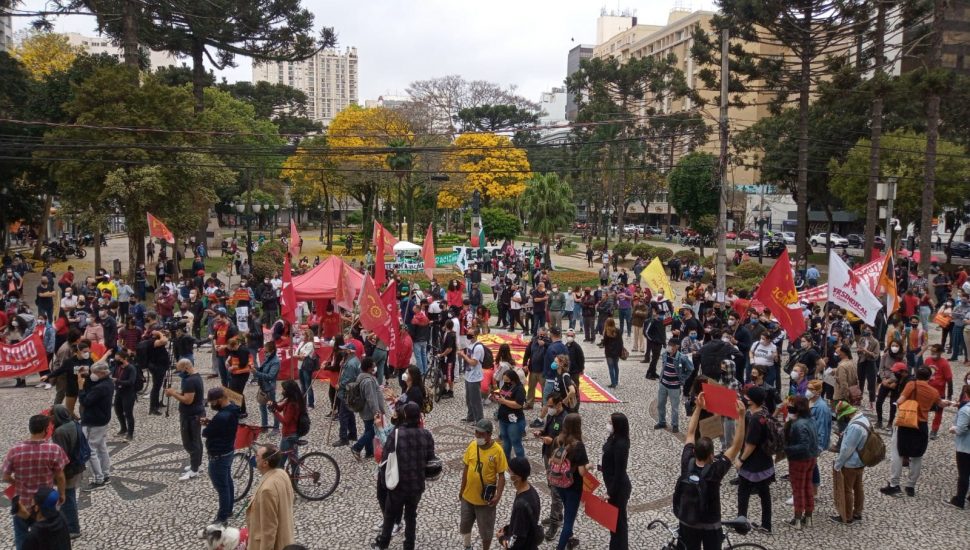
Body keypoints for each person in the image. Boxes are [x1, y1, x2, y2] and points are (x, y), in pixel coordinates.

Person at [675, 394, 745, 550]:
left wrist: (698, 407)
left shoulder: (687, 462)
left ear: (694, 451)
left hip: (688, 520)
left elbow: (691, 432)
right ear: (712, 455)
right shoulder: (715, 470)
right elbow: (737, 445)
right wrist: (741, 417)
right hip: (710, 523)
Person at [372, 402, 436, 550]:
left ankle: (383, 544)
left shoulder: (396, 434)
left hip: (398, 485)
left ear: (405, 415)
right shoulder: (426, 435)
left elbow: (385, 458)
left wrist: (383, 482)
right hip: (417, 485)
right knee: (411, 516)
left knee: (389, 515)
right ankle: (409, 545)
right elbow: (430, 459)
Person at [880, 365, 950, 498]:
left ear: (916, 375)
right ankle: (911, 486)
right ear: (929, 377)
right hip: (921, 425)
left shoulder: (911, 384)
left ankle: (894, 485)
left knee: (897, 454)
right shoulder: (933, 391)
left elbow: (900, 401)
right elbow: (940, 404)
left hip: (906, 423)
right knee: (917, 456)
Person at [2, 414, 69, 549]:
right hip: (45, 503)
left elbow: (5, 476)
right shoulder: (54, 449)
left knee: (21, 537)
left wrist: (15, 482)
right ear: (46, 429)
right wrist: (62, 494)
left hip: (23, 503)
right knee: (47, 538)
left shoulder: (15, 450)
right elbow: (60, 476)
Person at [459, 419, 508, 550]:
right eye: (476, 432)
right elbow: (466, 468)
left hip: (485, 501)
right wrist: (461, 490)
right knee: (465, 524)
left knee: (486, 531)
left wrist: (498, 496)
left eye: (481, 433)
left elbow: (501, 475)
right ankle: (467, 545)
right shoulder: (472, 445)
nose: (478, 435)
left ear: (489, 434)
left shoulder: (498, 451)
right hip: (468, 497)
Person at [549, 413, 589, 550]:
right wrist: (589, 466)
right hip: (573, 486)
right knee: (568, 522)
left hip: (559, 482)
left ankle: (570, 538)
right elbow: (582, 472)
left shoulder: (558, 440)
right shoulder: (578, 446)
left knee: (567, 508)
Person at [246, 444, 295, 550]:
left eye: (257, 456)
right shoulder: (282, 474)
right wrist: (256, 501)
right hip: (286, 536)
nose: (255, 457)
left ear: (265, 463)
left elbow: (269, 530)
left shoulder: (266, 490)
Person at [202, 387, 240, 525]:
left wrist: (208, 426)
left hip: (219, 455)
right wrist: (211, 423)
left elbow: (206, 433)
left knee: (221, 486)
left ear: (219, 400)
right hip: (228, 450)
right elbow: (219, 428)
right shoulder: (233, 409)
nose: (212, 405)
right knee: (227, 481)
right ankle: (228, 509)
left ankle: (222, 517)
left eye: (212, 402)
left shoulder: (222, 416)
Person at [164, 358, 204, 481]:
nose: (179, 373)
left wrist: (173, 393)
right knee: (196, 440)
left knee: (190, 442)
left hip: (191, 416)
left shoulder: (189, 381)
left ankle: (194, 470)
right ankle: (196, 464)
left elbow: (188, 400)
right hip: (195, 413)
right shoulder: (196, 377)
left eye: (180, 370)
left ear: (186, 368)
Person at [831, 401, 870, 524]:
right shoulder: (864, 419)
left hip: (851, 463)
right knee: (858, 487)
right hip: (861, 460)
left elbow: (847, 448)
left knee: (847, 489)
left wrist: (838, 464)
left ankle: (847, 517)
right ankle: (858, 512)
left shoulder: (854, 427)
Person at [783, 396, 819, 529]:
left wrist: (786, 450)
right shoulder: (811, 420)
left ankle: (797, 520)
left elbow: (803, 445)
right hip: (811, 458)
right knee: (807, 487)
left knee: (798, 489)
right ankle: (808, 517)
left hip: (799, 460)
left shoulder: (797, 424)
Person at [78, 360, 113, 491]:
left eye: (94, 373)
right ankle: (106, 474)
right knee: (102, 448)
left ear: (102, 373)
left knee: (90, 449)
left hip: (94, 421)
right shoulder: (107, 382)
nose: (93, 375)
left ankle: (99, 479)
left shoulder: (101, 388)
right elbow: (93, 383)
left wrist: (80, 388)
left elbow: (86, 401)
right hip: (102, 419)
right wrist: (86, 376)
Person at [535, 393, 567, 541]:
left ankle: (555, 522)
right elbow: (548, 429)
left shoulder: (565, 419)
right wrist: (541, 433)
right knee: (552, 487)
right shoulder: (551, 415)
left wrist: (552, 440)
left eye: (551, 406)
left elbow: (566, 441)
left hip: (558, 459)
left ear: (559, 404)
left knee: (556, 492)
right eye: (548, 406)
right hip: (548, 455)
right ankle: (556, 515)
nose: (549, 408)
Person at [48, 406, 81, 539]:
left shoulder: (60, 432)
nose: (49, 418)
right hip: (77, 466)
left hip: (68, 470)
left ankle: (73, 528)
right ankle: (66, 525)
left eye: (51, 415)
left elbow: (60, 456)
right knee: (69, 496)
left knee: (67, 498)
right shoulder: (73, 423)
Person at [496, 456, 542, 550]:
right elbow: (524, 523)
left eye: (509, 471)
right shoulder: (531, 490)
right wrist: (508, 529)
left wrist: (501, 538)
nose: (506, 473)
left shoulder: (521, 506)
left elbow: (516, 543)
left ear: (518, 477)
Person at [601, 413, 631, 550]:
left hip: (618, 488)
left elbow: (619, 471)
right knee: (614, 522)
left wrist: (610, 492)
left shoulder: (621, 444)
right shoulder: (614, 438)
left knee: (619, 523)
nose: (608, 425)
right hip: (612, 484)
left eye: (610, 423)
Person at [351, 358, 389, 461]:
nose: (374, 368)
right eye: (373, 366)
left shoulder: (361, 377)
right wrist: (376, 412)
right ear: (368, 368)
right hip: (369, 411)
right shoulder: (368, 381)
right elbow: (371, 398)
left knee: (368, 429)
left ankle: (369, 452)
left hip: (365, 410)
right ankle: (357, 447)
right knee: (372, 431)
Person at [656, 338, 693, 434]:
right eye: (668, 344)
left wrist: (683, 378)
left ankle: (675, 425)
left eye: (671, 345)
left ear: (676, 347)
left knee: (674, 407)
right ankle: (661, 422)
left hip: (674, 386)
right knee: (660, 404)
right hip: (663, 384)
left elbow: (690, 369)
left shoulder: (682, 358)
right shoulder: (665, 354)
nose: (669, 347)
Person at [492, 366, 527, 459]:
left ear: (513, 379)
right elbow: (503, 395)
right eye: (504, 380)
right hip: (503, 419)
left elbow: (518, 404)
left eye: (507, 380)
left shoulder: (519, 389)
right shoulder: (506, 385)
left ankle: (520, 464)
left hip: (515, 421)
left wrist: (504, 401)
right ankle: (506, 462)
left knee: (516, 442)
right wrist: (497, 398)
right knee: (505, 442)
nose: (506, 382)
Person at [946, 380, 970, 509]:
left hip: (965, 446)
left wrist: (952, 429)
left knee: (964, 474)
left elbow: (961, 429)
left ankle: (959, 500)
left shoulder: (966, 410)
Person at [334, 344, 361, 446]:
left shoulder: (350, 364)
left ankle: (343, 438)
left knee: (343, 415)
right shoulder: (354, 360)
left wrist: (340, 385)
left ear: (349, 351)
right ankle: (353, 434)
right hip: (352, 390)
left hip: (347, 391)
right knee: (349, 413)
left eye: (345, 350)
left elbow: (348, 378)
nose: (343, 351)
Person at [924, 344, 953, 439]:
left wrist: (949, 396)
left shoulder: (944, 364)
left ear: (940, 352)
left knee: (938, 413)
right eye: (931, 351)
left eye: (935, 352)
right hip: (927, 392)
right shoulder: (927, 360)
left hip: (939, 394)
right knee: (924, 410)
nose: (932, 353)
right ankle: (923, 428)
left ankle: (934, 430)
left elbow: (949, 380)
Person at [458, 328, 486, 423]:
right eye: (468, 333)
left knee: (476, 400)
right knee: (469, 398)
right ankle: (470, 417)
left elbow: (473, 362)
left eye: (470, 334)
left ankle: (479, 420)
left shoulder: (478, 347)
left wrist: (463, 355)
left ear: (475, 335)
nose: (468, 335)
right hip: (468, 375)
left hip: (475, 377)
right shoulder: (470, 344)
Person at [254, 340, 281, 431]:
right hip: (263, 387)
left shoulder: (275, 361)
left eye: (266, 352)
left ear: (272, 351)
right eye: (264, 351)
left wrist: (256, 373)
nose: (265, 353)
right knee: (262, 407)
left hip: (269, 388)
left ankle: (276, 427)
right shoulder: (267, 358)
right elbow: (262, 370)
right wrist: (255, 368)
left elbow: (270, 376)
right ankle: (264, 426)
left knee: (273, 408)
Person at [111, 349, 137, 440]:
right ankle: (123, 428)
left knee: (128, 413)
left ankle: (130, 433)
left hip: (128, 393)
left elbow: (131, 381)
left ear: (124, 358)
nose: (116, 361)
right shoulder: (117, 367)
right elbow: (114, 376)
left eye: (118, 359)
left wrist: (118, 381)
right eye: (115, 359)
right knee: (118, 410)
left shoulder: (131, 368)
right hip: (119, 392)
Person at [225, 337, 252, 418]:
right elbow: (231, 355)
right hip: (236, 374)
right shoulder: (234, 350)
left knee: (238, 392)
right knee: (233, 391)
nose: (228, 348)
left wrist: (233, 367)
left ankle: (243, 411)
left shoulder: (242, 350)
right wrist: (227, 360)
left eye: (229, 347)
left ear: (233, 346)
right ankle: (236, 409)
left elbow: (243, 363)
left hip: (242, 375)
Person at [601, 318, 623, 389]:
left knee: (611, 368)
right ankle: (616, 381)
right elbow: (621, 342)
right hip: (616, 352)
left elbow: (604, 343)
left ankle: (613, 383)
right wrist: (620, 351)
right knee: (616, 366)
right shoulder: (618, 331)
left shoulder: (606, 332)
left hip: (609, 352)